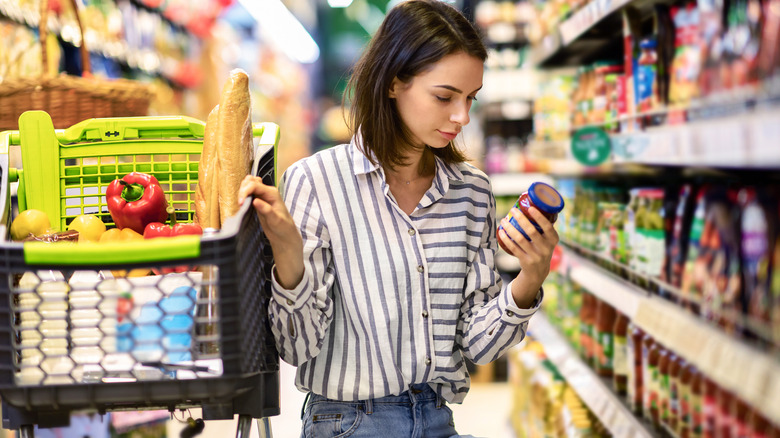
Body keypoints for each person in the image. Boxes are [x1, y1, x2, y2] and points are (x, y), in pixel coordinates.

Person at [237, 0, 559, 436]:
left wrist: (530, 277)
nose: (461, 117)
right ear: (393, 83)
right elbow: (298, 347)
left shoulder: (471, 191)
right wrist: (290, 261)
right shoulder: (316, 181)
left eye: (470, 99)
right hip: (346, 422)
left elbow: (477, 347)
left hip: (437, 416)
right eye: (445, 96)